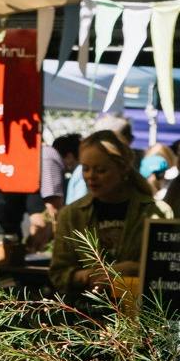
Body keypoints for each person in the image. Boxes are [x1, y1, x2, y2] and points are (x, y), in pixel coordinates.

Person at [49, 130, 161, 303]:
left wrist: (133, 269)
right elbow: (58, 275)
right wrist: (91, 276)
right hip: (85, 317)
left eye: (101, 170)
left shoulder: (154, 213)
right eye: (85, 169)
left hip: (140, 314)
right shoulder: (71, 215)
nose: (91, 177)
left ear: (122, 168)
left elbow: (167, 272)